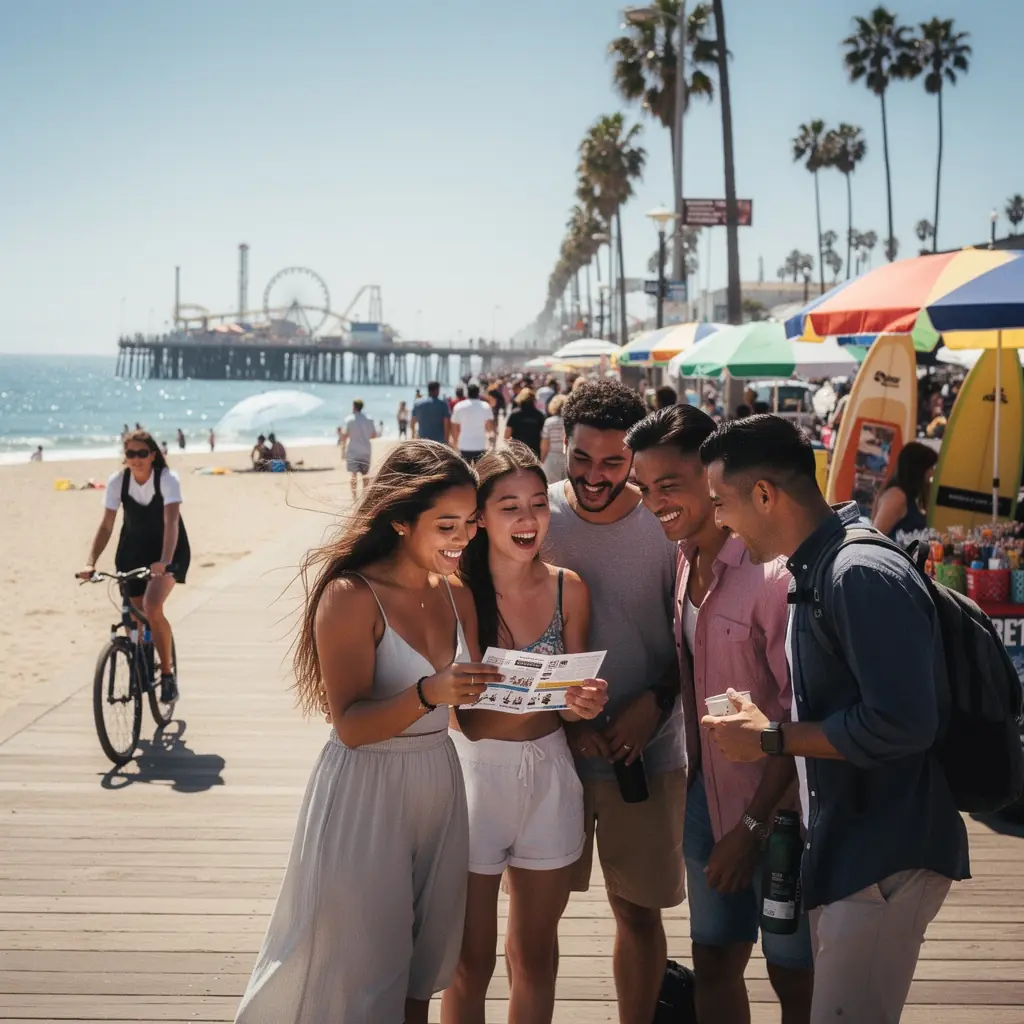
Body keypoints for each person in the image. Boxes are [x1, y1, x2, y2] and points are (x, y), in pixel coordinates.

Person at [697, 415, 970, 1024]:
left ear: (764, 495)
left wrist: (770, 737)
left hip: (883, 857)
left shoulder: (856, 573)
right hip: (851, 849)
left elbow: (901, 723)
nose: (718, 520)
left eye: (721, 503)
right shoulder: (820, 565)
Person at [235, 442, 504, 1024]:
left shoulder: (458, 594)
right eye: (447, 525)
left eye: (470, 523)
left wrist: (557, 700)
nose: (464, 538)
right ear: (401, 521)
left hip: (439, 782)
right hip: (365, 793)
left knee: (421, 972)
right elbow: (350, 727)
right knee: (364, 975)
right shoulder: (350, 596)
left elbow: (472, 718)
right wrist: (431, 692)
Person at [626, 407, 814, 1024]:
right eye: (644, 488)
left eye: (669, 486)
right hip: (707, 796)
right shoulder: (683, 559)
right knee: (712, 961)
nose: (654, 503)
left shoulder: (771, 574)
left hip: (782, 817)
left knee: (794, 974)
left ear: (713, 475)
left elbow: (797, 714)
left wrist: (754, 828)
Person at [442, 443, 608, 1024]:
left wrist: (584, 702)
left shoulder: (571, 588)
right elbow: (459, 717)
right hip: (471, 778)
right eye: (509, 506)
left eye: (538, 504)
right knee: (469, 963)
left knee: (536, 958)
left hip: (550, 775)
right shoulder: (454, 594)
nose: (527, 519)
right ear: (480, 517)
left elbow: (572, 705)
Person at [541, 380, 683, 1024]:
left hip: (647, 755)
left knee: (638, 911)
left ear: (635, 458)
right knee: (537, 916)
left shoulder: (666, 523)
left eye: (612, 462)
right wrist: (560, 724)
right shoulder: (535, 516)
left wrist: (656, 702)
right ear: (561, 446)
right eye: (580, 459)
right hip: (547, 754)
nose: (594, 477)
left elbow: (697, 633)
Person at [78, 430, 190, 703]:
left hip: (169, 551)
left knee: (152, 606)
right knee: (133, 614)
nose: (136, 459)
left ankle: (166, 675)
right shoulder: (118, 482)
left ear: (152, 454)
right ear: (125, 457)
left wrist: (164, 561)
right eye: (130, 454)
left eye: (142, 453)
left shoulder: (166, 480)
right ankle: (139, 658)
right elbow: (106, 526)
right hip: (132, 553)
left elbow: (171, 523)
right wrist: (90, 562)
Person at [871, 441, 938, 543]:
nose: (932, 473)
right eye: (930, 468)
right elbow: (876, 536)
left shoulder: (911, 497)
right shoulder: (897, 496)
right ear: (918, 469)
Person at [341, 399, 378, 499]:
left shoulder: (349, 419)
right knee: (365, 476)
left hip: (353, 451)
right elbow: (374, 435)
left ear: (353, 406)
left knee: (353, 476)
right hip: (366, 450)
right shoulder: (369, 419)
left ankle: (354, 498)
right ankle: (364, 498)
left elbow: (345, 436)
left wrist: (340, 437)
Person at [450, 384, 495, 464]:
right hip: (480, 444)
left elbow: (454, 428)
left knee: (466, 473)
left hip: (464, 444)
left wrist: (455, 442)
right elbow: (489, 428)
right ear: (478, 393)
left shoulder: (459, 406)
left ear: (467, 393)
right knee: (480, 472)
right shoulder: (486, 406)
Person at [505, 389, 546, 457]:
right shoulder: (539, 415)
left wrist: (511, 448)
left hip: (518, 451)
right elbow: (544, 437)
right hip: (534, 452)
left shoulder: (514, 414)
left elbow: (507, 435)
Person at [540, 394, 568, 483]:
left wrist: (542, 460)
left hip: (552, 458)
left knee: (553, 488)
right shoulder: (570, 421)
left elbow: (545, 444)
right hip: (567, 458)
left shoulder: (549, 422)